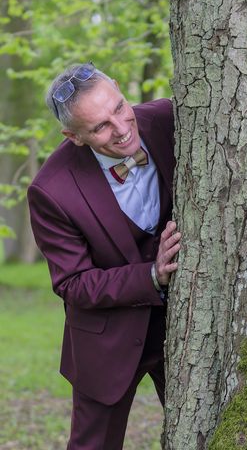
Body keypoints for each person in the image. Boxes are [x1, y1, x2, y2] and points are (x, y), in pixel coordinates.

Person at [27, 63, 181, 449]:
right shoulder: (51, 190)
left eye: (118, 106)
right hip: (106, 341)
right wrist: (150, 274)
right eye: (100, 127)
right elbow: (73, 283)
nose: (122, 127)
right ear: (74, 136)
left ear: (117, 87)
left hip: (184, 328)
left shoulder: (168, 118)